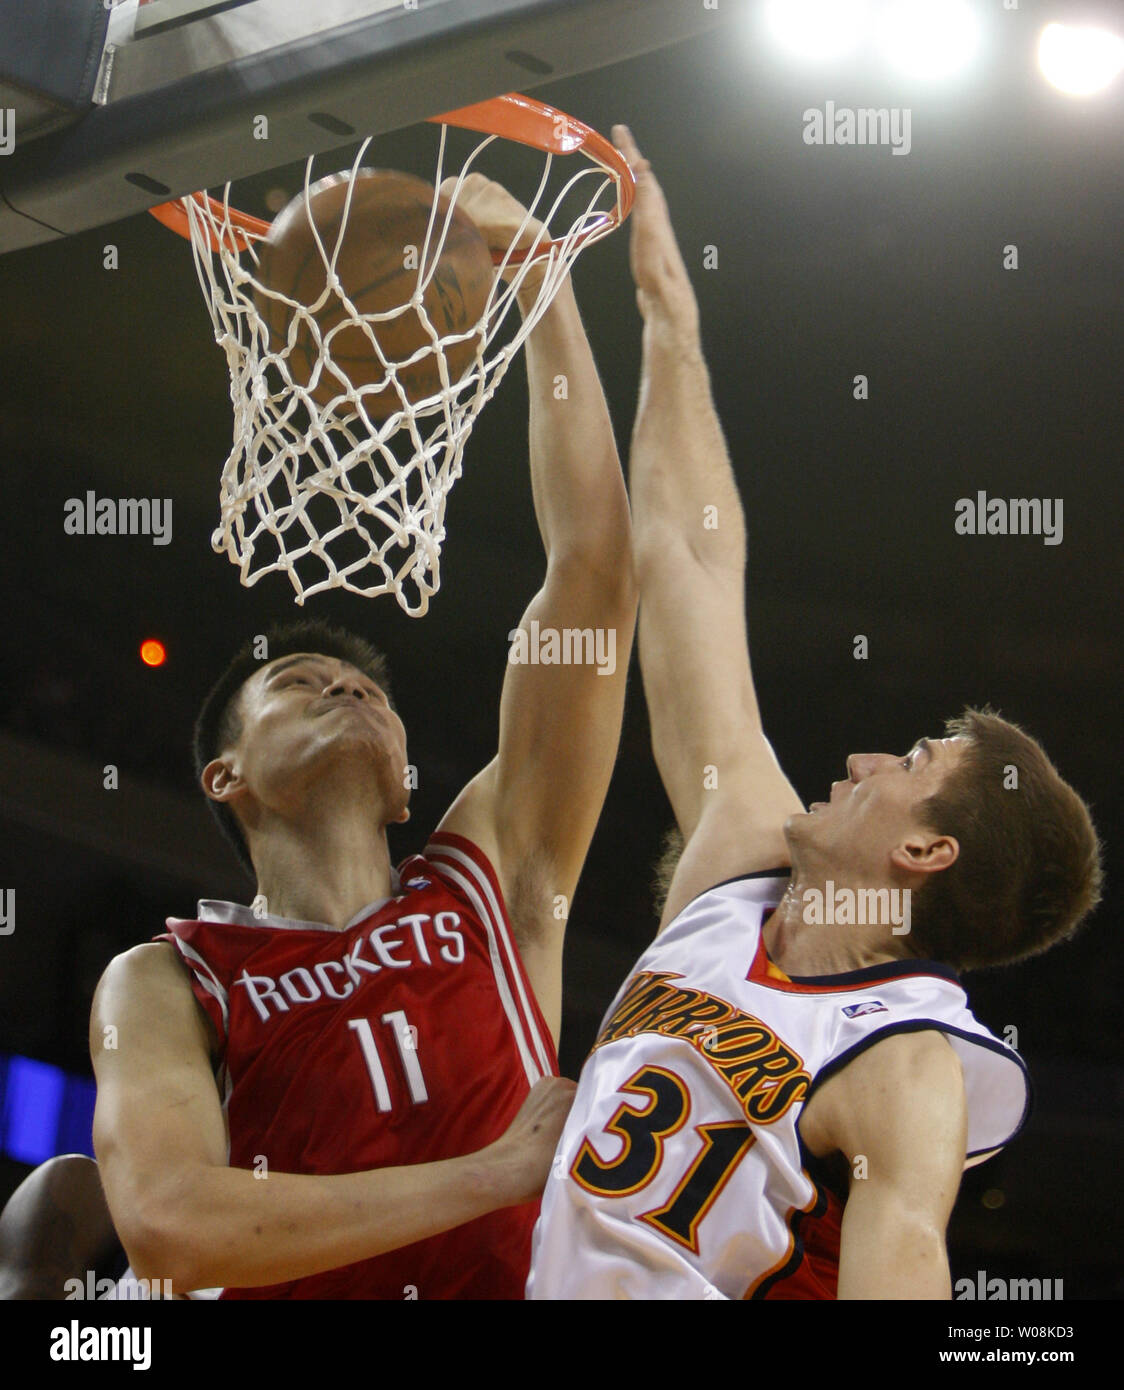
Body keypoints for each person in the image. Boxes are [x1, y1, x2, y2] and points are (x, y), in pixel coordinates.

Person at [526, 127, 1103, 1300]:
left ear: (925, 847)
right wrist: (670, 326)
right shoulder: (738, 866)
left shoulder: (907, 1058)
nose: (860, 756)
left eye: (909, 758)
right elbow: (688, 574)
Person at [90, 175, 637, 1299]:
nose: (348, 688)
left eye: (368, 689)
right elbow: (171, 1222)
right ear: (224, 774)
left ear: (403, 787)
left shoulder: (495, 880)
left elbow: (591, 579)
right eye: (300, 681)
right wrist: (492, 1174)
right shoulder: (168, 979)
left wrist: (540, 284)